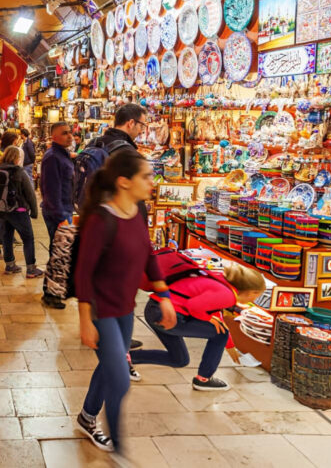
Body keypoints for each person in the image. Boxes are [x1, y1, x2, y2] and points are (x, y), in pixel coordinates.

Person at [74, 149, 177, 456]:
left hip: (125, 309)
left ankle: (87, 416)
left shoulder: (138, 210)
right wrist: (84, 321)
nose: (151, 181)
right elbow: (83, 274)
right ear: (123, 182)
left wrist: (165, 296)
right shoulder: (100, 220)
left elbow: (147, 255)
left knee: (110, 367)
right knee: (120, 381)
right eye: (145, 176)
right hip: (101, 311)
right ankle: (119, 450)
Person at [131, 262, 265, 391]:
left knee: (179, 359)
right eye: (256, 296)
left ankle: (125, 358)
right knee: (219, 334)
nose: (253, 300)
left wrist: (229, 345)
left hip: (156, 309)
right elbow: (194, 306)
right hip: (166, 315)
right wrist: (207, 319)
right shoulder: (227, 295)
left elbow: (216, 315)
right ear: (251, 292)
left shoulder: (221, 283)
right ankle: (204, 379)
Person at [39, 122, 75, 308]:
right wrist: (61, 217)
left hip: (64, 210)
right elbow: (51, 190)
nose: (70, 136)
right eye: (65, 133)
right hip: (58, 213)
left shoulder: (62, 154)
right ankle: (51, 294)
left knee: (61, 253)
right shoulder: (53, 157)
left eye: (70, 133)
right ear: (54, 137)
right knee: (59, 254)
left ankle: (55, 291)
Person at [0, 146, 41, 277]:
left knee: (7, 236)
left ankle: (10, 265)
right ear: (16, 157)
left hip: (3, 209)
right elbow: (30, 193)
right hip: (18, 210)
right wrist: (34, 211)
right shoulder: (18, 171)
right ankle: (31, 269)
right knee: (28, 238)